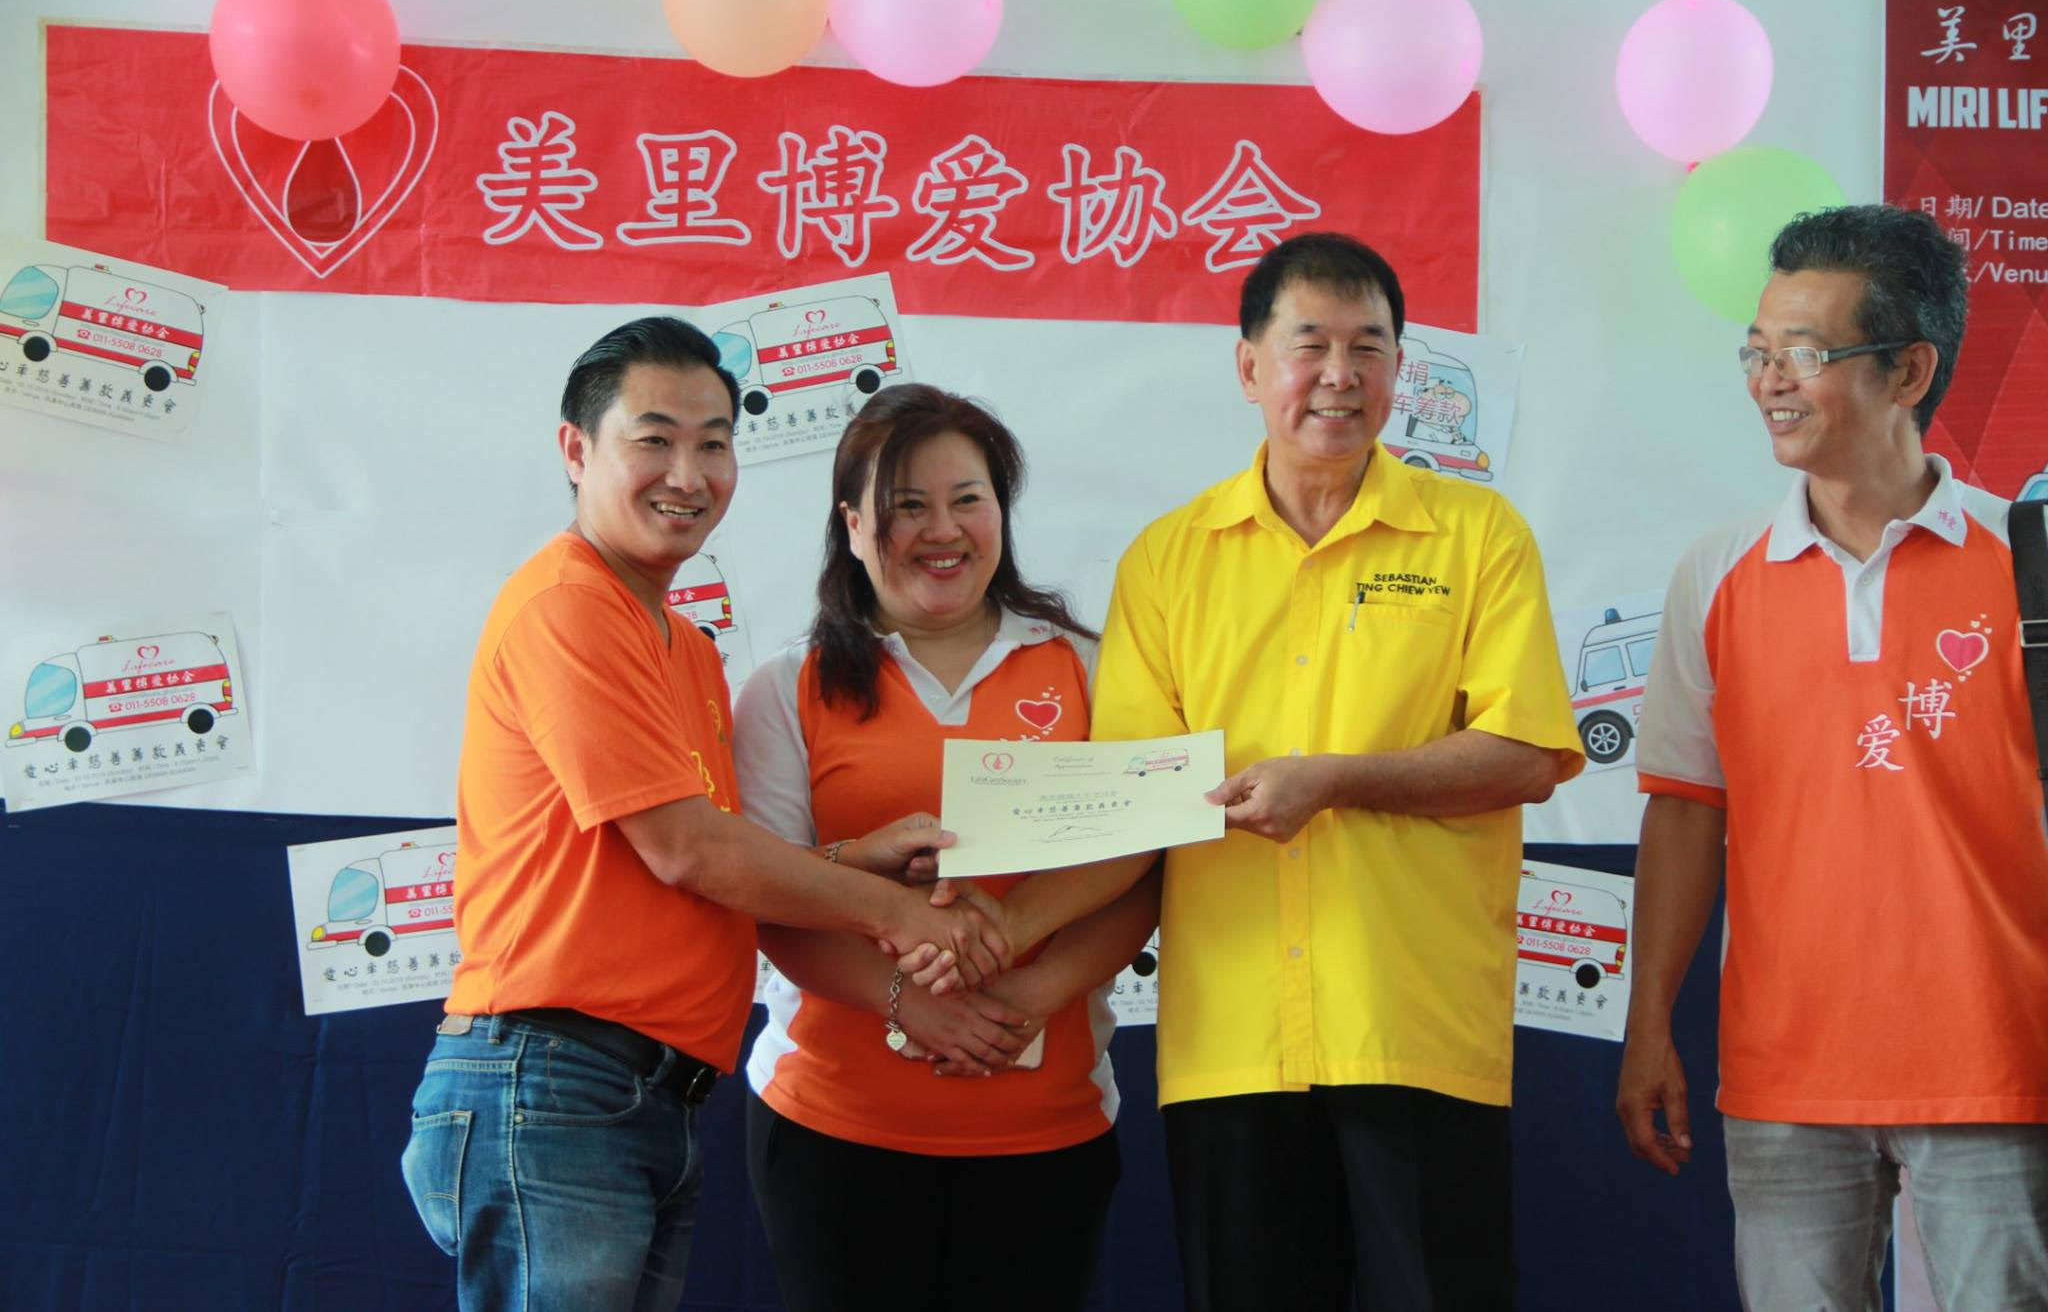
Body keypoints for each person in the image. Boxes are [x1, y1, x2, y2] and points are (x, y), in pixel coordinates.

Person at [398, 319, 1012, 1312]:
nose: (688, 474)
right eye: (654, 439)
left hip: (636, 1094)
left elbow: (701, 852)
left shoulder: (682, 644)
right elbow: (688, 851)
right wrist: (901, 915)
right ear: (575, 449)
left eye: (714, 443)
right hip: (553, 1081)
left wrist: (850, 858)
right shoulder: (567, 605)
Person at [1091, 231, 1585, 1310]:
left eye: (1369, 348)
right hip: (1231, 1039)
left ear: (1400, 368)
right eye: (1308, 344)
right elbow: (1132, 790)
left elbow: (1524, 754)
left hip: (1413, 1022)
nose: (1339, 375)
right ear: (1248, 366)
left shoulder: (1476, 535)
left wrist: (1333, 779)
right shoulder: (1167, 558)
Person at [1618, 204, 2048, 1308]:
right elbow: (1685, 809)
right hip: (1784, 1074)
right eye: (1757, 352)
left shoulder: (2027, 564)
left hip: (1999, 1064)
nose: (1771, 381)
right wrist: (1647, 1022)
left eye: (1805, 354)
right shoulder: (1716, 571)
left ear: (1909, 370)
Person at [733, 383, 1159, 1312]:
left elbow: (1142, 873)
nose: (943, 530)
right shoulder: (786, 687)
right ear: (853, 526)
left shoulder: (1089, 670)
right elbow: (768, 898)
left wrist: (1029, 995)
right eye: (907, 505)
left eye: (969, 499)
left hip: (1046, 1131)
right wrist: (909, 1004)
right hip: (832, 1129)